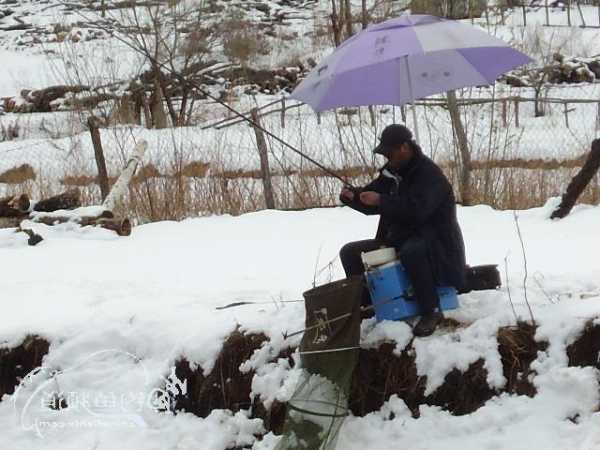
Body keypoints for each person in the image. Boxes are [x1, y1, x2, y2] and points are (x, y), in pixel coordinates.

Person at [339, 124, 466, 337]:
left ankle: (431, 311)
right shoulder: (391, 173)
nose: (387, 158)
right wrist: (352, 197)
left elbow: (418, 211)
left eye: (390, 152)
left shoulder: (429, 174)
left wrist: (381, 200)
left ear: (404, 147)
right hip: (399, 237)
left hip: (436, 241)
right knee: (350, 252)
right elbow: (372, 200)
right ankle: (368, 305)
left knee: (412, 251)